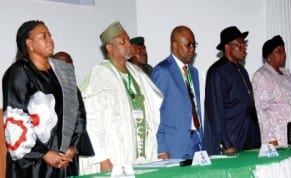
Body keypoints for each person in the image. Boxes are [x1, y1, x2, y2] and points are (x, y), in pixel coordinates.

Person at [2, 20, 94, 178]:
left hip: (65, 161)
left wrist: (74, 147)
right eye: (43, 36)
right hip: (33, 164)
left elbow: (78, 113)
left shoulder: (63, 72)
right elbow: (15, 118)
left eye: (50, 35)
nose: (50, 39)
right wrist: (44, 153)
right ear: (29, 43)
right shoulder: (19, 73)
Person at [79, 21, 163, 174]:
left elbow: (151, 111)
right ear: (109, 48)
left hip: (138, 155)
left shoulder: (137, 74)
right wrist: (103, 159)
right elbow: (92, 122)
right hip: (113, 158)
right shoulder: (100, 75)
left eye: (128, 40)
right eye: (122, 41)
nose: (128, 44)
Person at [204, 26, 261, 155]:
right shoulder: (217, 71)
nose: (244, 48)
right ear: (227, 47)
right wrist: (226, 144)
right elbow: (215, 112)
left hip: (250, 141)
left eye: (244, 44)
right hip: (233, 142)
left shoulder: (242, 70)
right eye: (239, 45)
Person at [151, 25, 204, 159]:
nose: (192, 49)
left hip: (197, 141)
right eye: (188, 45)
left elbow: (194, 108)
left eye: (194, 45)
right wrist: (161, 149)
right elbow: (155, 113)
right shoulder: (162, 71)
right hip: (174, 146)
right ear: (174, 46)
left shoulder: (194, 72)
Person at [252, 35, 291, 146]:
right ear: (268, 56)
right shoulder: (261, 76)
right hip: (279, 137)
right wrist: (270, 139)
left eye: (284, 50)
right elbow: (261, 110)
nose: (283, 54)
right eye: (279, 51)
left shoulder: (287, 75)